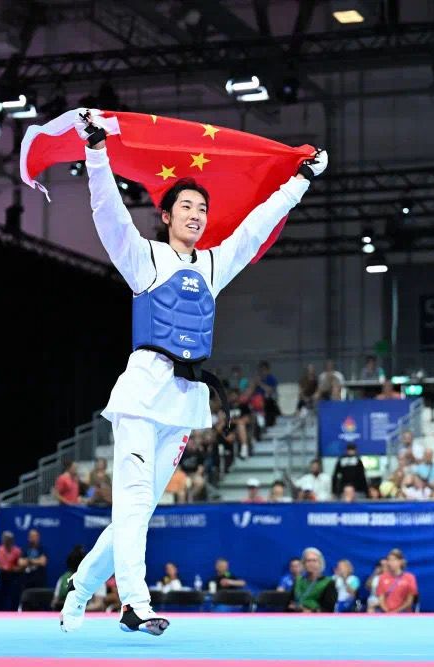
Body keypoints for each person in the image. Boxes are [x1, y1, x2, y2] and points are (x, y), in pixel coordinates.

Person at [60, 115, 326, 636]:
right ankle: (134, 604)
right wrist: (96, 152)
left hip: (183, 402)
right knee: (134, 505)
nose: (196, 215)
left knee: (135, 517)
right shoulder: (143, 258)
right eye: (186, 206)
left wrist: (301, 180)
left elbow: (255, 228)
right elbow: (108, 212)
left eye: (202, 209)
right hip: (141, 395)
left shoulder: (213, 265)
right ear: (166, 215)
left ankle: (80, 590)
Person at [289, 547, 337, 613]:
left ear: (320, 563)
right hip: (294, 616)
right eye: (308, 561)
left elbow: (328, 610)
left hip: (316, 617)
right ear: (303, 564)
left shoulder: (329, 583)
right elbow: (289, 604)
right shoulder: (298, 580)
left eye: (314, 560)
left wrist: (307, 611)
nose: (311, 563)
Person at [0, 530, 24, 611]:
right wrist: (0, 567)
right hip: (2, 577)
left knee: (13, 599)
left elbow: (21, 567)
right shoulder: (0, 550)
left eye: (8, 539)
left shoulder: (17, 551)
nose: (6, 541)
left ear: (12, 540)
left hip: (13, 578)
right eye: (4, 539)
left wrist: (11, 568)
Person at [377, 548, 418, 613]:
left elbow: (409, 601)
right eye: (389, 560)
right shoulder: (382, 577)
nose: (390, 563)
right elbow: (381, 599)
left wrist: (395, 612)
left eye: (394, 560)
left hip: (404, 613)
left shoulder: (410, 578)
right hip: (386, 613)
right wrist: (387, 612)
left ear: (401, 562)